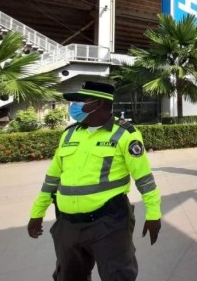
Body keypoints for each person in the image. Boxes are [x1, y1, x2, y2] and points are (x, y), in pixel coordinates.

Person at [27, 81, 161, 281]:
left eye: (81, 101)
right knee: (68, 277)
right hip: (68, 226)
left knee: (117, 276)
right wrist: (37, 213)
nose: (75, 106)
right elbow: (52, 178)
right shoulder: (69, 134)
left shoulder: (125, 134)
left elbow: (144, 179)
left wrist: (154, 214)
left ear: (98, 104)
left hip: (109, 223)